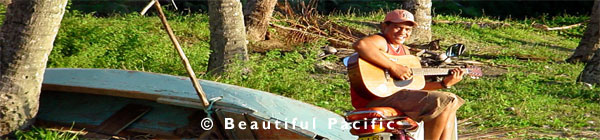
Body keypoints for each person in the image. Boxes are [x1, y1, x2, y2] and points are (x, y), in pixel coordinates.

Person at [351, 9, 465, 140]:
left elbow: (414, 87)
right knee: (444, 100)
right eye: (397, 27)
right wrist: (393, 66)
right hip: (375, 97)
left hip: (397, 97)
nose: (402, 32)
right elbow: (361, 44)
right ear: (384, 26)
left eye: (407, 29)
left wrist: (443, 84)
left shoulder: (404, 51)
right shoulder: (382, 41)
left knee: (451, 101)